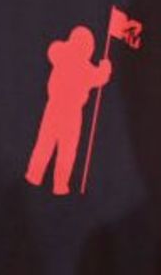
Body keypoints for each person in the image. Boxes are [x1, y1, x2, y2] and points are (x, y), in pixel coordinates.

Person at [24, 25, 112, 195]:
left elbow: (53, 49)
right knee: (64, 149)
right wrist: (105, 67)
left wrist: (104, 70)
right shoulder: (78, 64)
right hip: (66, 111)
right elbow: (99, 77)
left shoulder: (64, 56)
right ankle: (56, 184)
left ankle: (38, 177)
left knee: (51, 145)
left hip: (60, 109)